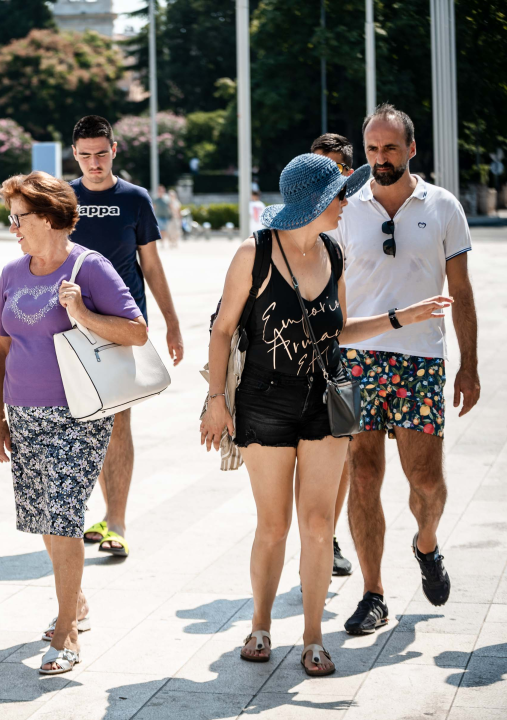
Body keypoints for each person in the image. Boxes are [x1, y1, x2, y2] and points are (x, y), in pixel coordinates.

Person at [201, 153, 451, 676]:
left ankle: (313, 636)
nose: (346, 203)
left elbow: (336, 332)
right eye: (340, 195)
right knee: (273, 525)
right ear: (315, 203)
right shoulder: (256, 252)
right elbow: (223, 329)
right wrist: (215, 402)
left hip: (325, 401)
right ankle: (261, 625)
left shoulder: (334, 252)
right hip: (264, 400)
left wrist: (403, 316)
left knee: (317, 524)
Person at [0, 171, 148, 675]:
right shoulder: (13, 273)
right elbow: (2, 346)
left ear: (51, 217)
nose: (12, 227)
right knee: (44, 515)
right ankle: (74, 602)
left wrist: (79, 310)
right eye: (10, 217)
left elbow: (137, 332)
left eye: (19, 217)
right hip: (22, 412)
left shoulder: (89, 267)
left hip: (75, 414)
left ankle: (66, 630)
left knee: (62, 514)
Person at [337, 104, 480, 636]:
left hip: (422, 359)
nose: (380, 158)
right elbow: (333, 288)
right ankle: (373, 592)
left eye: (390, 148)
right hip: (356, 360)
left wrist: (469, 365)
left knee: (426, 479)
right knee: (364, 473)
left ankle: (426, 543)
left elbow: (461, 292)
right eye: (372, 149)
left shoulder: (443, 206)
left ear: (412, 149)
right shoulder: (347, 209)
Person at [68, 115, 184, 559]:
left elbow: (151, 265)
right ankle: (73, 516)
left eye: (101, 153)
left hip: (121, 324)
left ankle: (115, 520)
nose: (94, 163)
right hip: (71, 325)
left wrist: (172, 323)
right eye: (84, 155)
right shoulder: (64, 198)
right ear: (75, 155)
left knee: (118, 421)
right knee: (76, 420)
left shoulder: (135, 199)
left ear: (114, 150)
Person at [309, 132, 356, 577]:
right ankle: (324, 539)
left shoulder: (359, 211)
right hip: (315, 354)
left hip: (362, 343)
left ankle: (332, 531)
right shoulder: (301, 218)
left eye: (334, 169)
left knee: (348, 456)